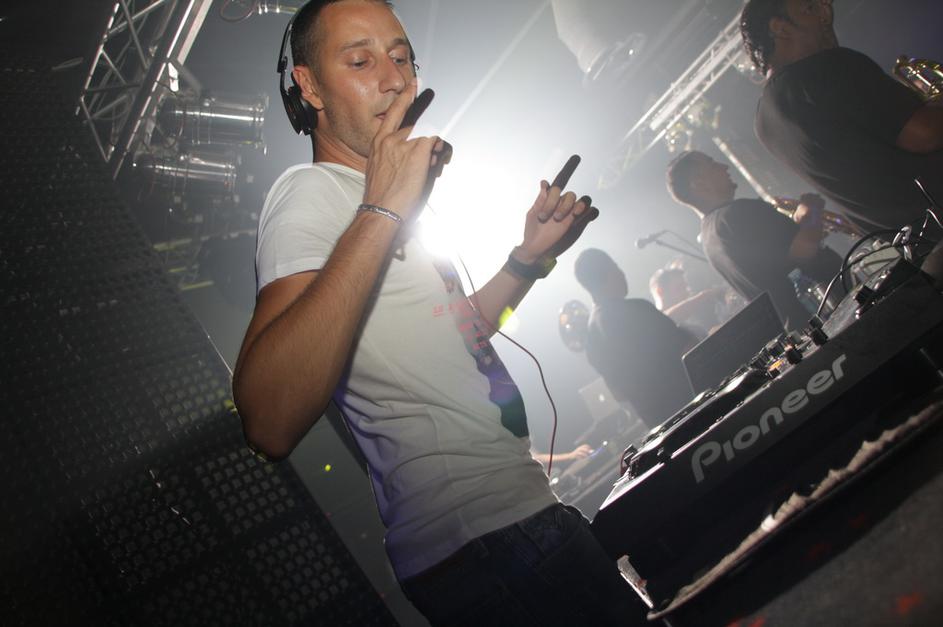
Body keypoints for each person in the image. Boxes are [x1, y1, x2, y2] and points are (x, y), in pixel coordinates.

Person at [232, 1, 646, 625]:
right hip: (484, 542)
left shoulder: (384, 204)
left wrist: (527, 259)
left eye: (401, 57)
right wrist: (384, 208)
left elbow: (458, 337)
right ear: (309, 87)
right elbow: (268, 420)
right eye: (360, 61)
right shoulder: (310, 194)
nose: (392, 78)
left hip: (513, 522)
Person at [741, 0, 943, 231]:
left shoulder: (763, 123)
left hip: (916, 241)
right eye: (810, 9)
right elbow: (926, 134)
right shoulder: (825, 68)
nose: (825, 16)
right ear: (780, 27)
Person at [666, 150, 842, 331]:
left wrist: (798, 223)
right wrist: (812, 209)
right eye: (712, 164)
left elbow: (775, 266)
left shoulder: (709, 237)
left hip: (807, 325)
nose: (724, 166)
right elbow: (804, 250)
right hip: (832, 308)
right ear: (700, 184)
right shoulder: (738, 213)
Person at [574, 248, 697, 430]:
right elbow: (690, 350)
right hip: (694, 407)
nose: (622, 273)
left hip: (664, 427)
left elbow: (619, 395)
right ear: (610, 271)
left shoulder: (591, 341)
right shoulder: (637, 309)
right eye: (616, 266)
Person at [648, 264, 727, 338]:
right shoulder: (652, 325)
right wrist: (706, 295)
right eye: (680, 288)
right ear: (660, 292)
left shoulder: (693, 325)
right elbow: (667, 319)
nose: (686, 292)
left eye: (685, 287)